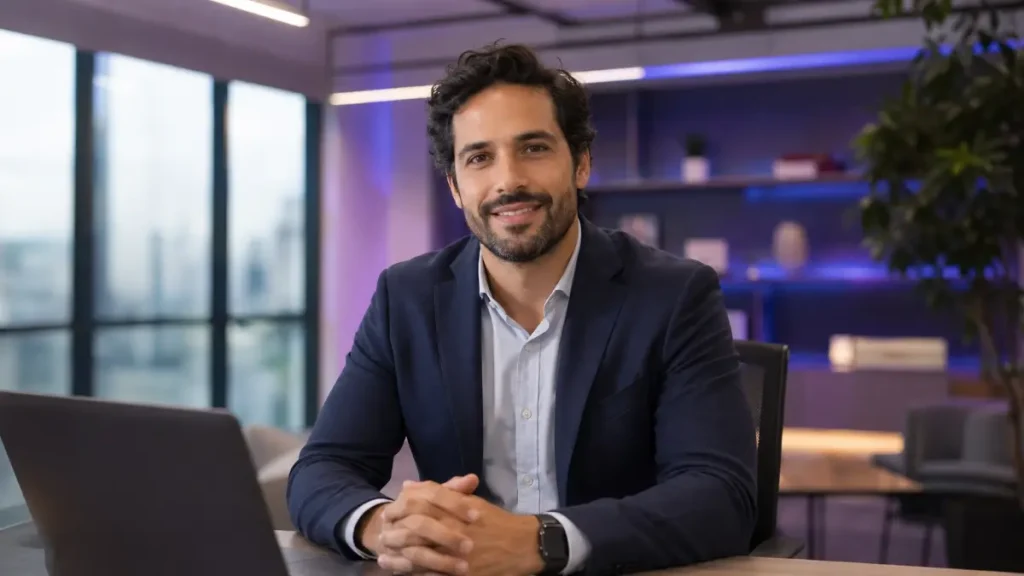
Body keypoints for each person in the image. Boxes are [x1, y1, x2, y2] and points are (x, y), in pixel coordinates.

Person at [287, 42, 758, 576]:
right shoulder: (407, 299)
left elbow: (720, 496)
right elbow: (323, 468)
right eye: (479, 157)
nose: (508, 180)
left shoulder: (674, 295)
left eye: (533, 148)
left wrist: (542, 541)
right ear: (456, 187)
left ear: (580, 164)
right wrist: (383, 526)